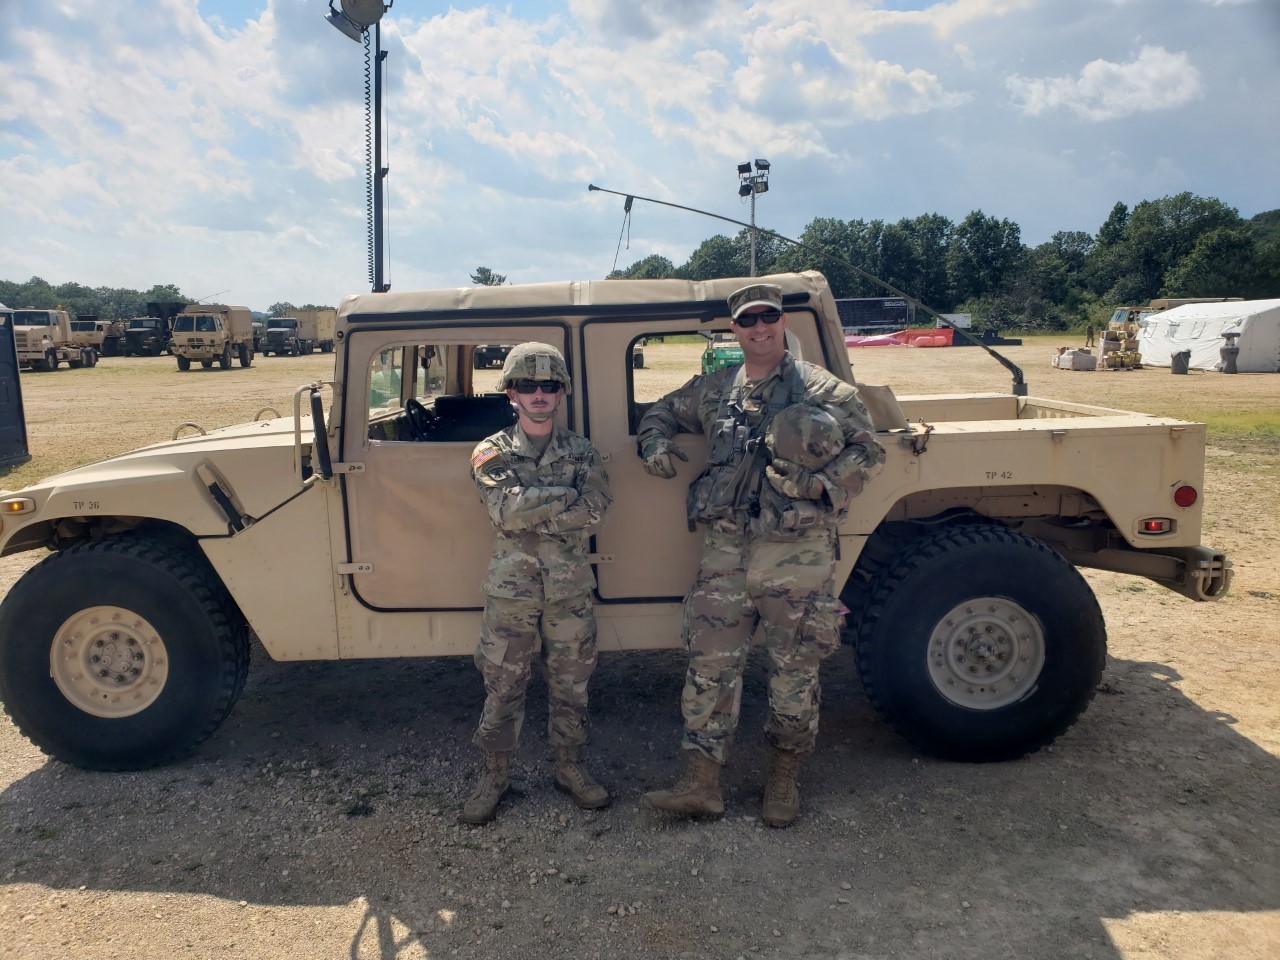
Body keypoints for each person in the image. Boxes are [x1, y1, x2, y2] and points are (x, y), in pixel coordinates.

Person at [636, 282, 886, 828]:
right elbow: (659, 413)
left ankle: (783, 780)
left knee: (794, 672)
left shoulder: (818, 387)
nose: (759, 328)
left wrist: (821, 485)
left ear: (781, 321)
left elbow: (869, 447)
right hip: (725, 551)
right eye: (748, 320)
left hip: (794, 552)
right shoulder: (715, 388)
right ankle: (701, 784)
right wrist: (653, 443)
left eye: (768, 317)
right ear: (735, 329)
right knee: (708, 667)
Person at [462, 342, 613, 824]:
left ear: (562, 391)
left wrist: (536, 511)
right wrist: (565, 497)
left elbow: (596, 511)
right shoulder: (492, 452)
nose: (539, 394)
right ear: (511, 392)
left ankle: (570, 768)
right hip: (513, 593)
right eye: (528, 385)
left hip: (568, 592)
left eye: (549, 386)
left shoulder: (583, 451)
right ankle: (494, 775)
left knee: (572, 685)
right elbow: (504, 511)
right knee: (504, 684)